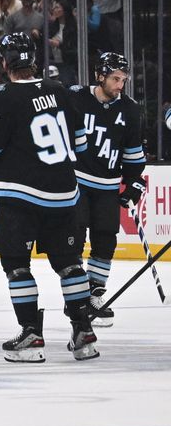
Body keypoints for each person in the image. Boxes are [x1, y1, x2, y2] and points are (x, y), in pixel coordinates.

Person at [0, 33, 100, 361]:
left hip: (21, 195)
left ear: (3, 63)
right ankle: (83, 330)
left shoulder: (1, 96)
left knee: (16, 265)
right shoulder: (58, 90)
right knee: (69, 263)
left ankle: (31, 333)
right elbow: (82, 144)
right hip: (64, 194)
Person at [66, 52, 146, 326]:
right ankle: (75, 295)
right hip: (76, 183)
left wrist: (135, 181)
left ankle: (95, 293)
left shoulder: (130, 109)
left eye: (123, 80)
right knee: (73, 239)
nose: (120, 85)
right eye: (115, 79)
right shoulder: (75, 97)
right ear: (100, 75)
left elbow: (133, 154)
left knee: (105, 240)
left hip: (108, 187)